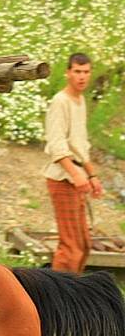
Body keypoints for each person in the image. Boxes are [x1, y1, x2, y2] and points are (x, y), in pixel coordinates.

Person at [43, 52, 104, 273]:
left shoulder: (80, 101)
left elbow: (80, 144)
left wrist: (92, 175)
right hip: (62, 178)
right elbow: (56, 144)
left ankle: (73, 292)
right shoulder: (61, 101)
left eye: (86, 72)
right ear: (68, 73)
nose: (82, 77)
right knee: (71, 247)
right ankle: (59, 300)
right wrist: (76, 174)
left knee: (83, 244)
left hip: (75, 176)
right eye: (77, 71)